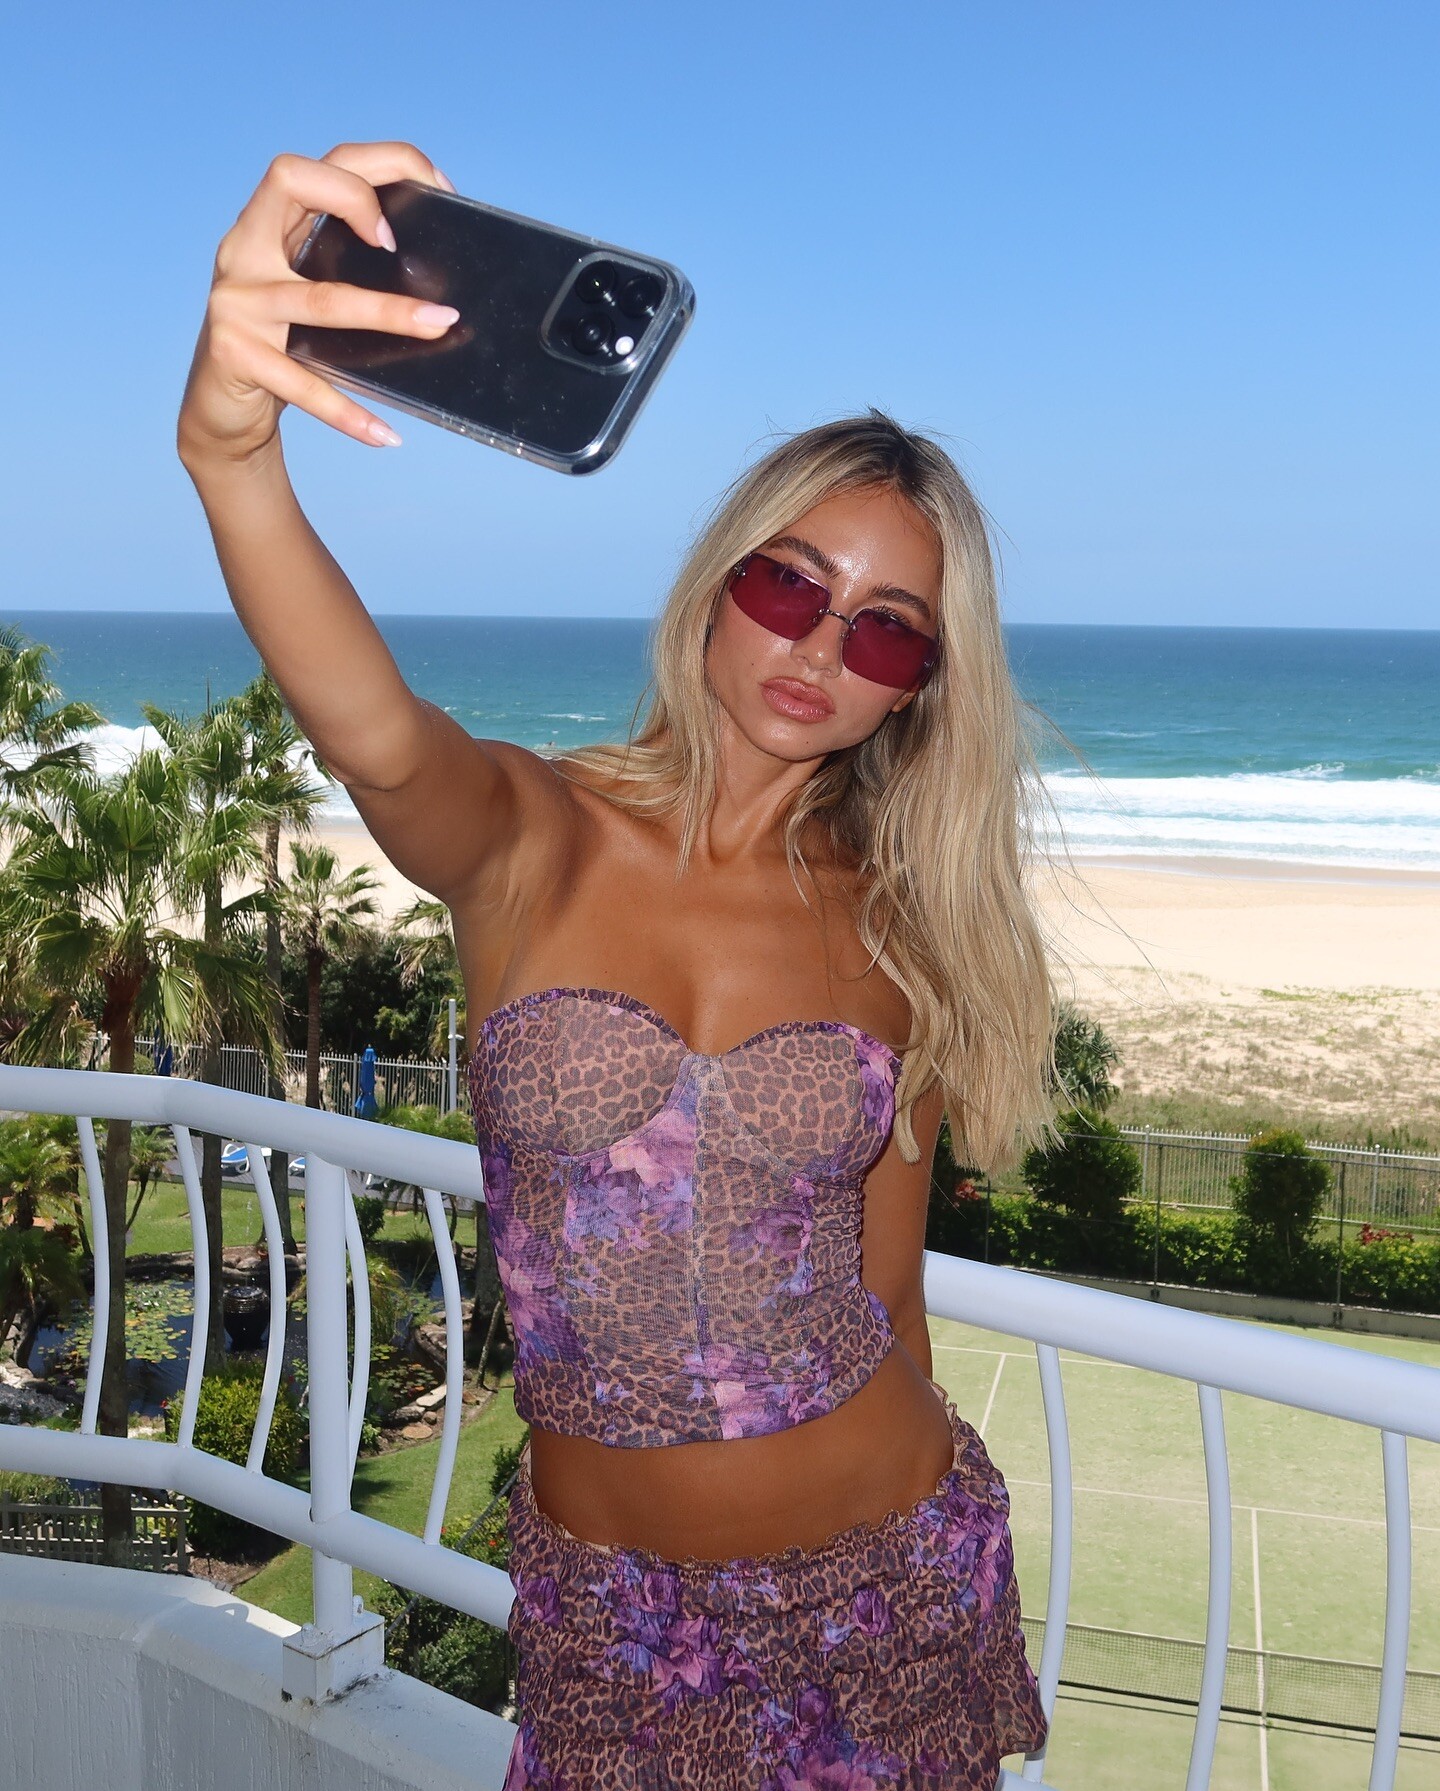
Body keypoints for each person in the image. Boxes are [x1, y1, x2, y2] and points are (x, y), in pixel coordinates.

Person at [179, 140, 1055, 1791]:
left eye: (884, 629)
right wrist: (231, 453)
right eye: (792, 583)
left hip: (884, 1591)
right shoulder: (537, 837)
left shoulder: (905, 929)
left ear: (918, 688)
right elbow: (376, 735)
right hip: (612, 1624)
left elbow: (888, 1298)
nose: (820, 645)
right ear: (720, 583)